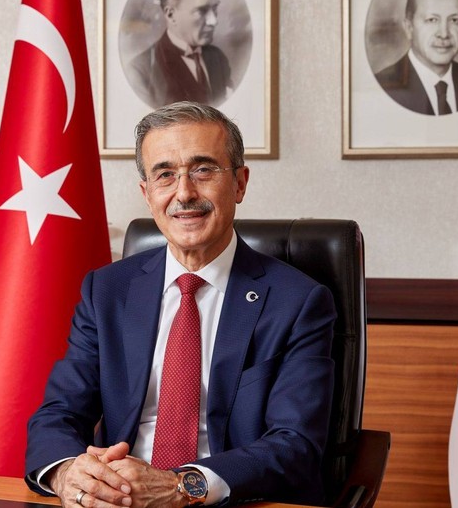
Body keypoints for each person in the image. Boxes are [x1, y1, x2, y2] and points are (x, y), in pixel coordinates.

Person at [25, 101, 336, 507]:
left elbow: (295, 445)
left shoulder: (298, 301)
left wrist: (179, 488)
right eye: (165, 174)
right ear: (147, 193)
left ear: (240, 183)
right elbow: (59, 412)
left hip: (230, 501)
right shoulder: (107, 290)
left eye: (203, 170)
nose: (184, 193)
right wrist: (69, 473)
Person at [375, 0, 458, 115]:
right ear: (409, 28)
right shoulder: (382, 87)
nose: (444, 34)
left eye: (455, 20)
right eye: (432, 20)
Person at [125, 0, 232, 108]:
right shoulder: (141, 71)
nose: (213, 21)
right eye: (202, 11)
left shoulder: (218, 58)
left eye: (214, 8)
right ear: (171, 15)